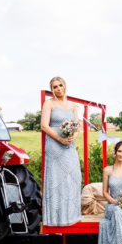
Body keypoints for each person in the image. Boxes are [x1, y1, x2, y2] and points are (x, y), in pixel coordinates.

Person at [40, 76, 82, 226]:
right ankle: (57, 218)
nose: (58, 88)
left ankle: (71, 215)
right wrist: (60, 139)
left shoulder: (73, 106)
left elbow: (78, 126)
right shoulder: (49, 103)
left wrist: (73, 137)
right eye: (55, 87)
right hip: (54, 146)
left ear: (65, 86)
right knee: (57, 180)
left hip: (69, 146)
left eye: (60, 85)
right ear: (52, 89)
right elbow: (44, 126)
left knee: (74, 177)